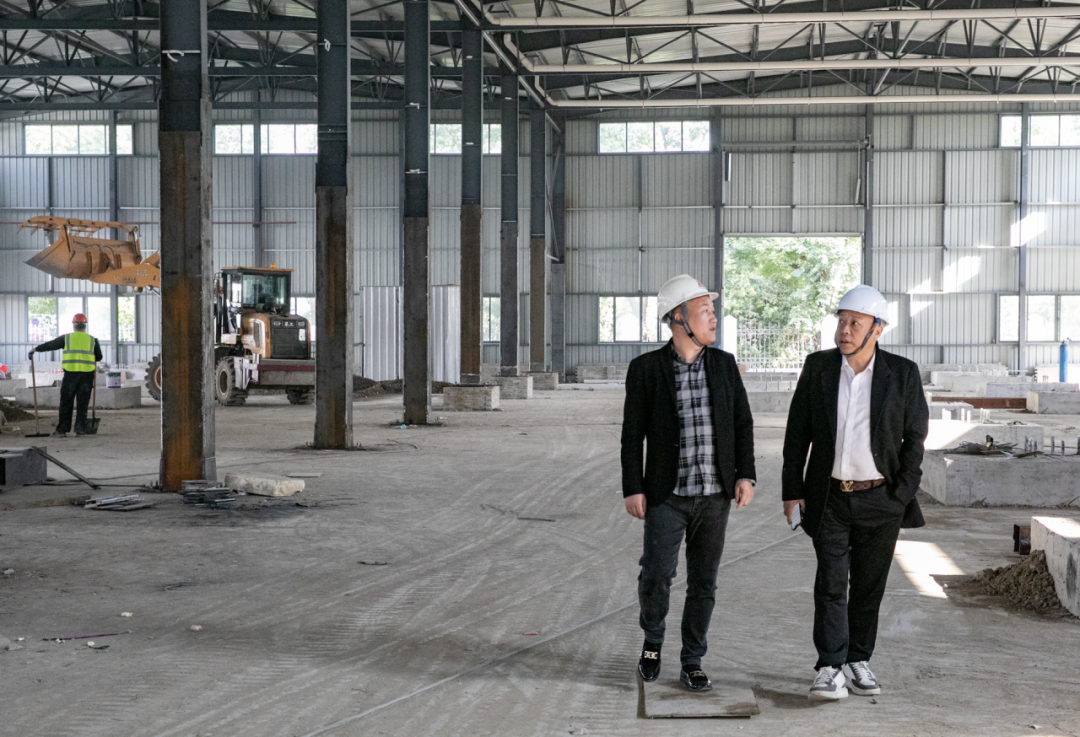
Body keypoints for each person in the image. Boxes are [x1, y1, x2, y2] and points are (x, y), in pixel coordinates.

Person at [781, 285, 929, 701]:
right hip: (828, 498)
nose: (844, 331)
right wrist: (792, 490)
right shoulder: (819, 368)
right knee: (830, 584)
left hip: (881, 499)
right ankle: (829, 667)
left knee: (868, 586)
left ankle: (857, 659)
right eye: (841, 321)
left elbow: (915, 438)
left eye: (855, 324)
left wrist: (901, 495)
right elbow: (797, 434)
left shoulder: (902, 373)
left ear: (877, 329)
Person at [621, 274, 756, 692]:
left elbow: (742, 423)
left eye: (713, 310)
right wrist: (633, 487)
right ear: (678, 318)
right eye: (704, 311)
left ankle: (692, 659)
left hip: (715, 495)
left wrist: (746, 474)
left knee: (704, 582)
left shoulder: (724, 365)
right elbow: (632, 435)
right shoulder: (646, 370)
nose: (713, 317)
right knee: (656, 575)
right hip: (667, 495)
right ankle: (652, 642)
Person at [29, 313, 102, 437]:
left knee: (66, 403)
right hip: (87, 377)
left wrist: (35, 349)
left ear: (73, 325)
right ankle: (80, 430)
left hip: (70, 376)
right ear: (85, 326)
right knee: (82, 404)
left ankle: (62, 430)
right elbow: (99, 357)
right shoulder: (92, 340)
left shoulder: (66, 338)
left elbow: (51, 345)